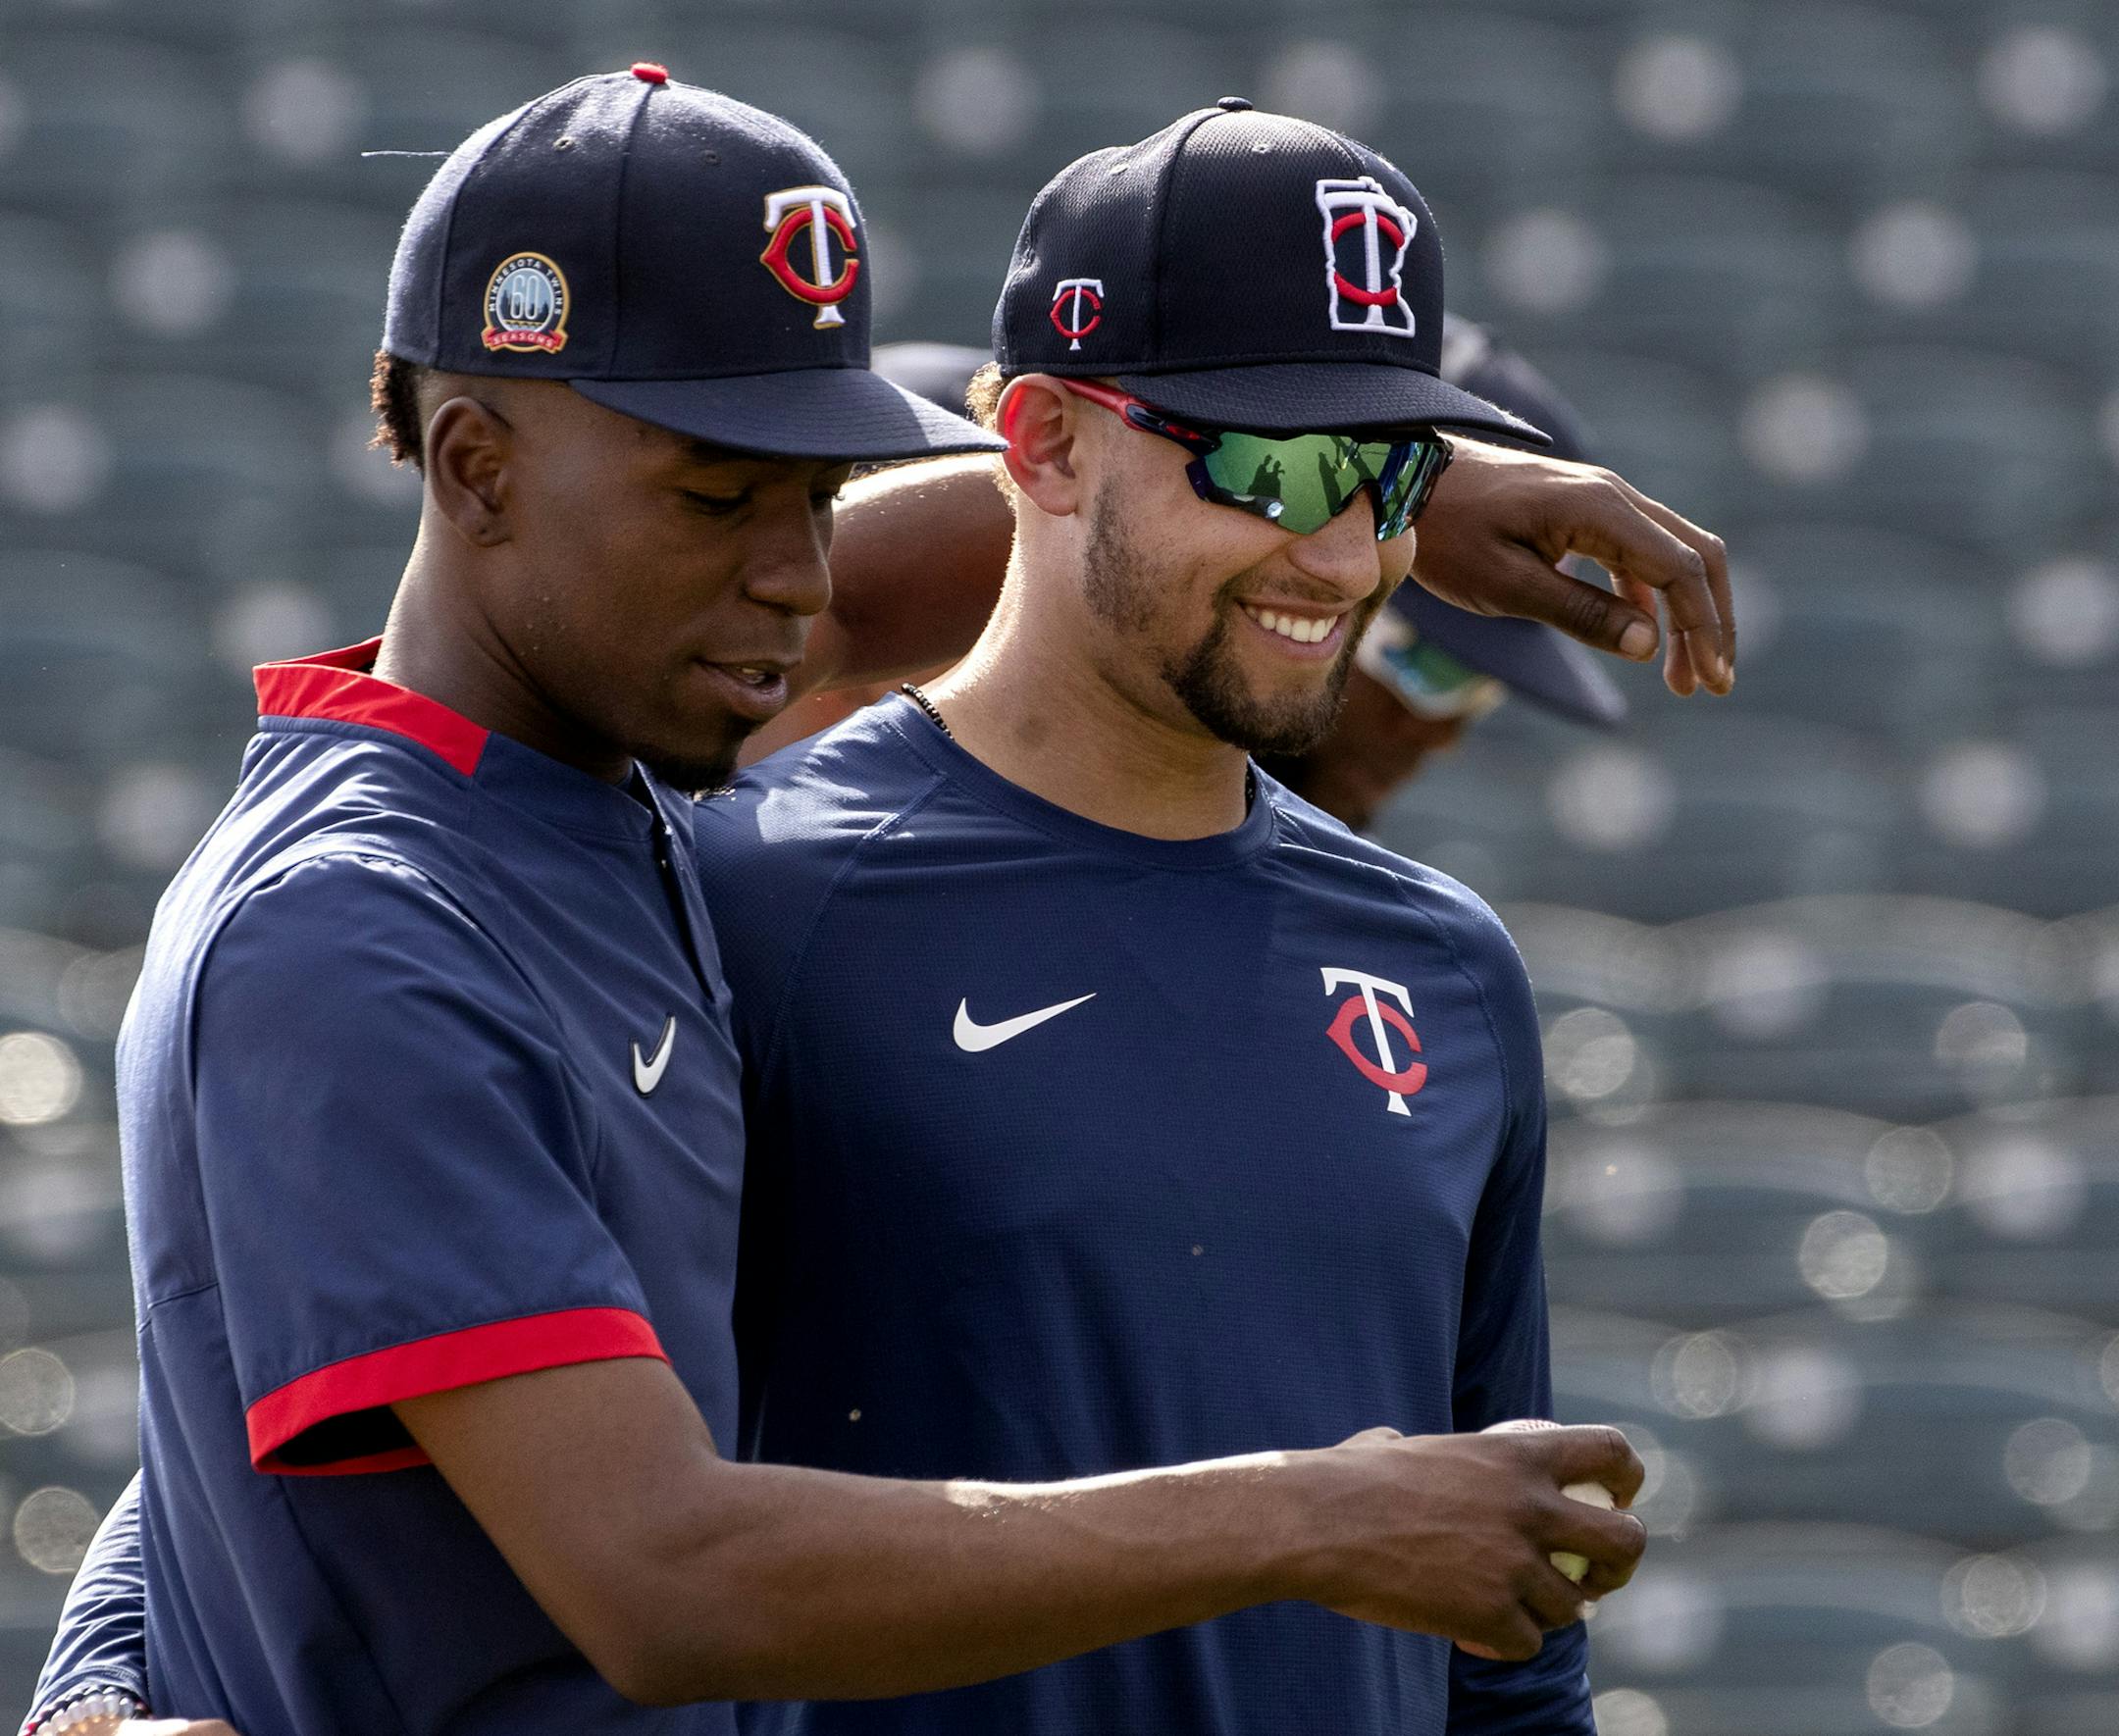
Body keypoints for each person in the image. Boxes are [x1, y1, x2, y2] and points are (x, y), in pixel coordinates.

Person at [24, 76, 1740, 1736]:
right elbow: (637, 1558)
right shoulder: (507, 902)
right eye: (721, 496)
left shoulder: (596, 834)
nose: (794, 567)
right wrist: (1316, 1518)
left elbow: (339, 1343)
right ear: (473, 466)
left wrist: (1365, 497)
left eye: (821, 493)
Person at [760, 322, 1631, 836]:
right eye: (1431, 667)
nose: (1436, 731)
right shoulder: (773, 858)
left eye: (1396, 499)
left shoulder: (1399, 948)